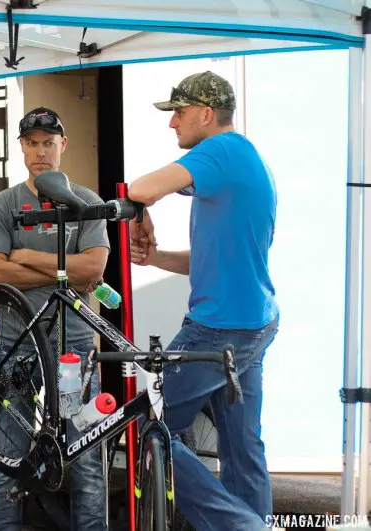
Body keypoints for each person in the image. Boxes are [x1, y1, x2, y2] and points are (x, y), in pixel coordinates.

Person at [127, 71, 278, 531]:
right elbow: (216, 259)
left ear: (207, 115)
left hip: (218, 328)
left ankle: (241, 526)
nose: (172, 123)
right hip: (253, 324)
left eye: (179, 112)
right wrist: (156, 258)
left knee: (149, 431)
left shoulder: (220, 150)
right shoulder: (243, 159)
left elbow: (139, 189)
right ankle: (254, 520)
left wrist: (141, 209)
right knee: (241, 447)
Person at [0, 107, 110, 531]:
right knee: (7, 460)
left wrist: (29, 257)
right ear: (20, 147)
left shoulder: (88, 202)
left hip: (75, 346)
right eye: (32, 143)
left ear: (63, 145)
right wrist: (63, 268)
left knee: (86, 460)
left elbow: (93, 272)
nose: (40, 152)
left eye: (48, 143)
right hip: (15, 343)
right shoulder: (3, 203)